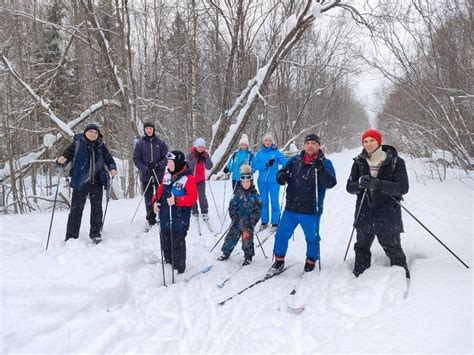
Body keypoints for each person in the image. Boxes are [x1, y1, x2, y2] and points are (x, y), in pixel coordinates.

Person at [268, 133, 336, 275]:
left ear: (318, 145)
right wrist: (281, 177)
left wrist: (321, 170)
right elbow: (281, 173)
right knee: (281, 235)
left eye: (313, 143)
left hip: (311, 209)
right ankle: (279, 260)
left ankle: (311, 260)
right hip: (291, 207)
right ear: (304, 145)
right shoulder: (294, 160)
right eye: (307, 143)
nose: (310, 146)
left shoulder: (325, 162)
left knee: (312, 237)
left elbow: (331, 183)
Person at [346, 129, 410, 278]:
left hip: (388, 212)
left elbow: (403, 187)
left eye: (372, 140)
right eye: (365, 141)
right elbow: (349, 187)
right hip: (364, 212)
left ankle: (401, 277)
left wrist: (379, 184)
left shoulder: (395, 161)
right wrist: (360, 183)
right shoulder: (359, 161)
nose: (368, 144)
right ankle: (358, 277)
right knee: (361, 247)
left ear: (379, 142)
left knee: (393, 248)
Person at [57, 123, 117, 244]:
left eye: (95, 133)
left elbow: (109, 159)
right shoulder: (77, 143)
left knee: (97, 209)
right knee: (76, 210)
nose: (93, 134)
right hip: (80, 182)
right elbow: (64, 158)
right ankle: (72, 236)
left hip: (97, 182)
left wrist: (112, 167)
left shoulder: (100, 146)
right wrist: (60, 161)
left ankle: (95, 233)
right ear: (85, 133)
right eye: (91, 132)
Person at [152, 150, 197, 274]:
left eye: (171, 162)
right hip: (165, 217)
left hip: (179, 219)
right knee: (165, 242)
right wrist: (155, 202)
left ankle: (179, 269)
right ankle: (168, 266)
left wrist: (177, 200)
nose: (168, 164)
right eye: (168, 162)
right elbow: (159, 192)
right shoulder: (166, 176)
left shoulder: (188, 179)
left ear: (177, 163)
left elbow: (192, 198)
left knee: (177, 244)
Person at [218, 165, 261, 266]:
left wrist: (253, 221)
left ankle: (248, 256)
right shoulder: (237, 193)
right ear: (241, 182)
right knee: (231, 237)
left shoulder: (255, 195)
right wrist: (233, 216)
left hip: (248, 223)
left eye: (248, 182)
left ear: (251, 182)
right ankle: (226, 252)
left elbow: (257, 210)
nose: (245, 184)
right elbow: (232, 206)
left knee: (247, 240)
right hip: (237, 221)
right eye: (243, 182)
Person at [133, 121, 168, 231]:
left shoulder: (161, 143)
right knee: (148, 198)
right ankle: (151, 218)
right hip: (146, 176)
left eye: (150, 128)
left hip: (159, 175)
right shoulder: (140, 144)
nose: (149, 130)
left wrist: (158, 165)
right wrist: (146, 169)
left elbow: (166, 158)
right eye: (147, 129)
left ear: (153, 129)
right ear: (144, 130)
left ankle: (162, 216)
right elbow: (136, 159)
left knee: (161, 196)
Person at [251, 133, 287, 232]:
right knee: (263, 201)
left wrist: (286, 170)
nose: (268, 142)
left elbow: (284, 162)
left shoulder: (276, 152)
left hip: (274, 181)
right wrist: (266, 164)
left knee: (274, 201)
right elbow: (254, 165)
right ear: (263, 141)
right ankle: (264, 221)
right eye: (266, 140)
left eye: (269, 140)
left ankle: (275, 222)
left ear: (272, 142)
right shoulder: (259, 153)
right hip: (262, 181)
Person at [186, 138, 214, 221]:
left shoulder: (205, 154)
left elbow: (209, 167)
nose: (200, 148)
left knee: (202, 196)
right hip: (192, 179)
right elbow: (187, 166)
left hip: (201, 179)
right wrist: (195, 160)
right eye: (199, 146)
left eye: (202, 147)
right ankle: (194, 211)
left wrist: (205, 160)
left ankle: (204, 211)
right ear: (196, 146)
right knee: (193, 195)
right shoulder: (190, 154)